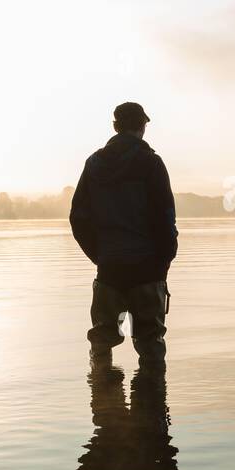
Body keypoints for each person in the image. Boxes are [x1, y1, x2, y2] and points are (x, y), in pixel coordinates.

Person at [69, 102, 177, 362]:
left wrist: (101, 255)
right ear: (142, 126)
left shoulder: (94, 164)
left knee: (103, 342)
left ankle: (103, 393)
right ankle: (151, 398)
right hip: (147, 271)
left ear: (115, 127)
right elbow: (165, 219)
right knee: (151, 343)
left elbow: (78, 218)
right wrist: (163, 261)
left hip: (110, 271)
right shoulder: (151, 163)